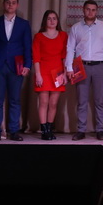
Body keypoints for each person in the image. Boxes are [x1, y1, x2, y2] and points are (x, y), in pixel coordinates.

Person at [0, 0, 32, 141]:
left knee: (15, 100)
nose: (10, 5)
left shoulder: (24, 24)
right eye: (8, 2)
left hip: (16, 67)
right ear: (4, 4)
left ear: (17, 5)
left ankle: (14, 131)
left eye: (13, 2)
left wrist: (27, 65)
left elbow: (27, 46)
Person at [65, 0, 103, 141]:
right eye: (88, 9)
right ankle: (81, 130)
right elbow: (70, 48)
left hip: (100, 66)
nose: (90, 12)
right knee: (82, 100)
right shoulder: (76, 28)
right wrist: (69, 67)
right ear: (83, 10)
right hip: (81, 66)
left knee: (100, 100)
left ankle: (100, 130)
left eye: (93, 10)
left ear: (96, 11)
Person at [32, 10, 67, 140]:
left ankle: (50, 128)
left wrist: (65, 73)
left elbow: (65, 56)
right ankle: (44, 130)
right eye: (49, 18)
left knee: (53, 103)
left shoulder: (63, 35)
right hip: (43, 72)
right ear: (45, 21)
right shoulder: (39, 37)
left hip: (58, 73)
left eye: (54, 18)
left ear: (57, 21)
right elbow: (36, 57)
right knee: (44, 101)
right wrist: (38, 75)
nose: (52, 21)